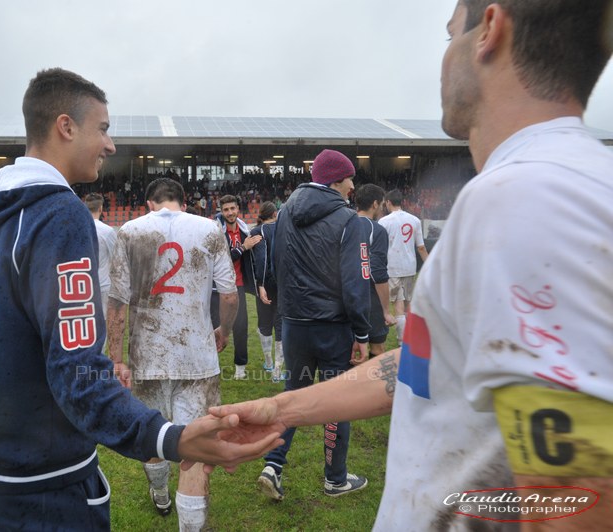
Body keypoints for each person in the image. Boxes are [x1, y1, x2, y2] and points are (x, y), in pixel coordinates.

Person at [212, 1, 613, 529]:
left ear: (489, 30)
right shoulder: (532, 189)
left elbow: (580, 494)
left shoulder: (529, 197)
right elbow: (432, 364)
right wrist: (283, 409)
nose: (443, 58)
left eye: (449, 35)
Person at [0, 68, 280, 530]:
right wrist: (168, 438)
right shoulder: (60, 214)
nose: (110, 145)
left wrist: (119, 355)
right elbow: (76, 371)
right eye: (102, 128)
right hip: (40, 464)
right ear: (66, 127)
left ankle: (160, 494)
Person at [106, 177, 238, 530]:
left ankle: (160, 493)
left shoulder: (130, 231)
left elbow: (116, 303)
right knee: (195, 447)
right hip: (196, 356)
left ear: (149, 204)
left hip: (147, 355)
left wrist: (116, 358)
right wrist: (224, 331)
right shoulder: (209, 228)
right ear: (184, 201)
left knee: (153, 433)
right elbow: (229, 295)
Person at [257, 149, 371, 502]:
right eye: (350, 178)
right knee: (337, 402)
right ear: (336, 180)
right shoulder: (350, 220)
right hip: (332, 325)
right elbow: (355, 281)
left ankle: (273, 465)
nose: (352, 186)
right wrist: (362, 332)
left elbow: (275, 264)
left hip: (294, 323)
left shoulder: (284, 214)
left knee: (293, 394)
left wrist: (284, 306)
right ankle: (335, 479)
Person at [211, 195, 261, 380]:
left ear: (238, 209)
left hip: (237, 286)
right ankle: (211, 366)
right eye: (226, 209)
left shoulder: (245, 231)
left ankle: (240, 367)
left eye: (232, 208)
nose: (230, 212)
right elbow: (221, 260)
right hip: (216, 288)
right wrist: (243, 248)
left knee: (241, 327)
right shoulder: (216, 232)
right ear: (221, 211)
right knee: (212, 328)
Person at [378, 188, 428, 342]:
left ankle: (402, 342)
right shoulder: (415, 220)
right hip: (410, 267)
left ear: (388, 202)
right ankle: (411, 338)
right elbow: (421, 247)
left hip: (392, 268)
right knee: (407, 304)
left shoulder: (384, 222)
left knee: (398, 305)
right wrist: (429, 265)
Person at [354, 184, 396, 358]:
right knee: (377, 350)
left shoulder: (343, 224)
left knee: (351, 351)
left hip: (345, 298)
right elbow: (377, 273)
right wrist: (385, 310)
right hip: (369, 298)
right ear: (375, 204)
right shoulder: (376, 230)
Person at [249, 201, 284, 382]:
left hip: (265, 283)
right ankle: (277, 370)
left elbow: (261, 260)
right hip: (283, 284)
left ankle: (269, 363)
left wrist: (260, 284)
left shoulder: (257, 231)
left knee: (264, 322)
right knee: (280, 324)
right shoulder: (284, 229)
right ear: (275, 214)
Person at [83, 192, 117, 318]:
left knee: (86, 321)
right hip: (102, 283)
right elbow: (116, 257)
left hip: (82, 284)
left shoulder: (77, 229)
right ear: (101, 208)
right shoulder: (107, 231)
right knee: (103, 321)